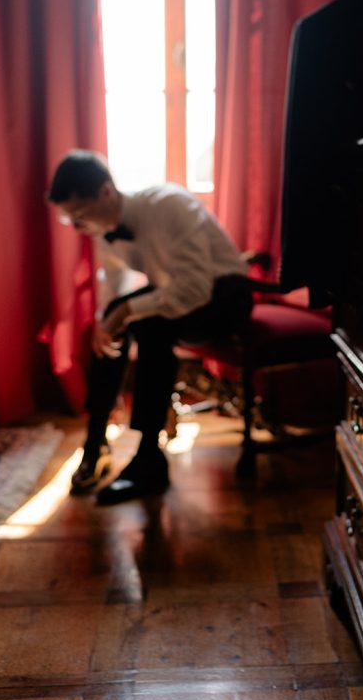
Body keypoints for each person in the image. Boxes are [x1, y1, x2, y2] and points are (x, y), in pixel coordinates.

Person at [47, 150, 252, 504]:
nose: (78, 227)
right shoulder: (104, 232)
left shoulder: (168, 206)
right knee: (119, 318)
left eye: (79, 216)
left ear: (106, 192)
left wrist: (126, 310)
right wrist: (106, 323)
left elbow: (196, 287)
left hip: (225, 296)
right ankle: (96, 441)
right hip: (179, 295)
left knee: (149, 323)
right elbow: (115, 289)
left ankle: (148, 460)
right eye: (70, 220)